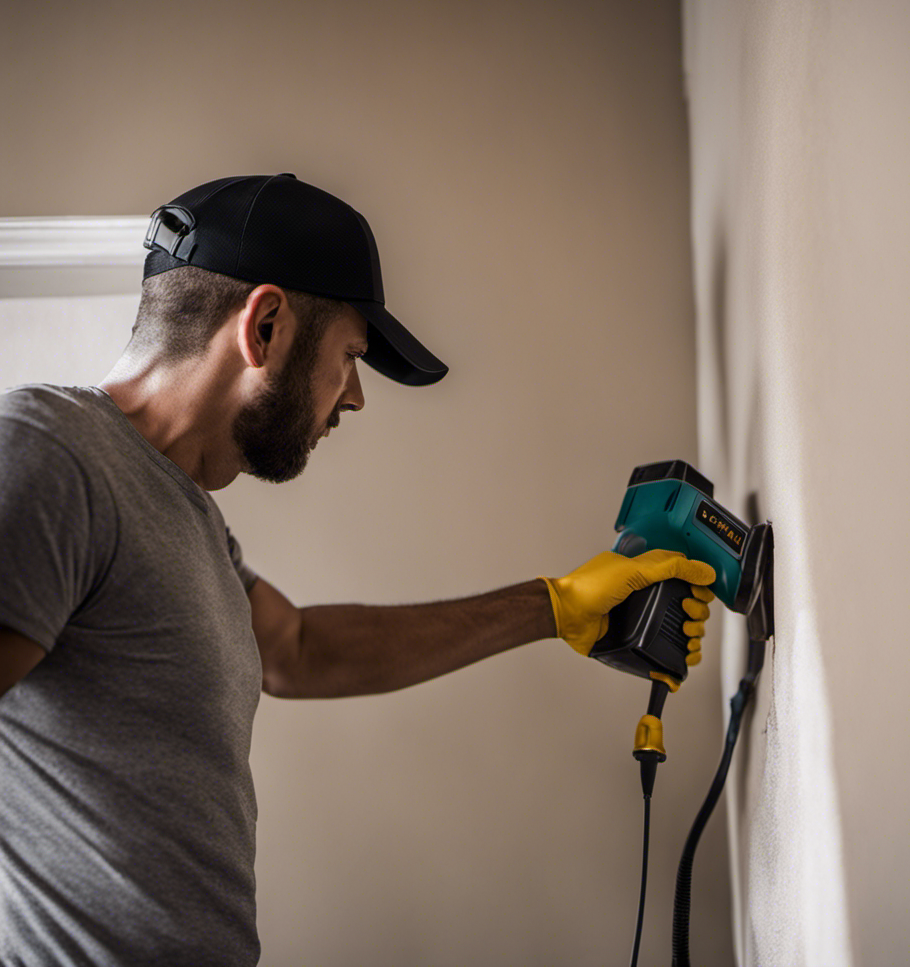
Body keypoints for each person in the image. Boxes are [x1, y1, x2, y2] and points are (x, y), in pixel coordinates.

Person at [0, 173, 716, 965]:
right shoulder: (48, 454)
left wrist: (552, 605)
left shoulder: (186, 516)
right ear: (265, 325)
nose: (354, 399)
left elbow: (298, 650)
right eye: (348, 355)